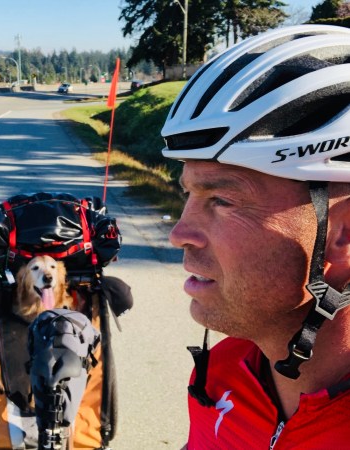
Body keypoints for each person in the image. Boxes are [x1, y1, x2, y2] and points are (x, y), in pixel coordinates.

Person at [161, 24, 350, 449]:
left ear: (345, 233)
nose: (179, 234)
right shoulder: (221, 372)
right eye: (188, 195)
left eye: (222, 200)